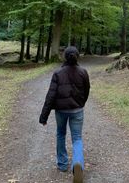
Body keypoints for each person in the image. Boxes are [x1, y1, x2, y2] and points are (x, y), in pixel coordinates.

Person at [39, 46, 90, 183]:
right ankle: (77, 163)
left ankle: (62, 165)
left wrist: (44, 116)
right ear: (77, 56)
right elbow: (86, 91)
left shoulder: (58, 73)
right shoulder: (83, 72)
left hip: (61, 111)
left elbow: (50, 96)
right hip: (77, 111)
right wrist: (81, 104)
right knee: (77, 138)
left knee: (61, 134)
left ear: (65, 57)